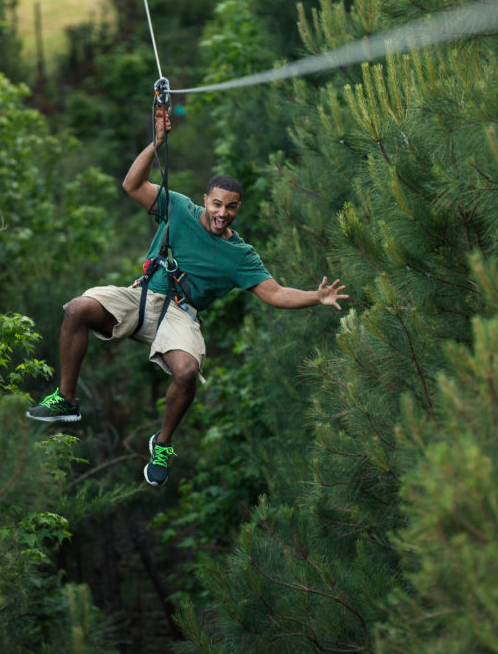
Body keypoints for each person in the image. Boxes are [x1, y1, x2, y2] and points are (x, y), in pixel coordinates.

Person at [27, 110, 348, 486]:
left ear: (238, 207)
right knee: (76, 308)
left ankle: (162, 444)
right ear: (206, 200)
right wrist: (156, 144)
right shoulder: (178, 207)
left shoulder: (240, 256)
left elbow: (275, 294)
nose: (222, 213)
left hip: (180, 313)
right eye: (217, 204)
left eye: (231, 207)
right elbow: (132, 185)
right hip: (142, 294)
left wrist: (316, 296)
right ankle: (66, 399)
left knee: (187, 371)